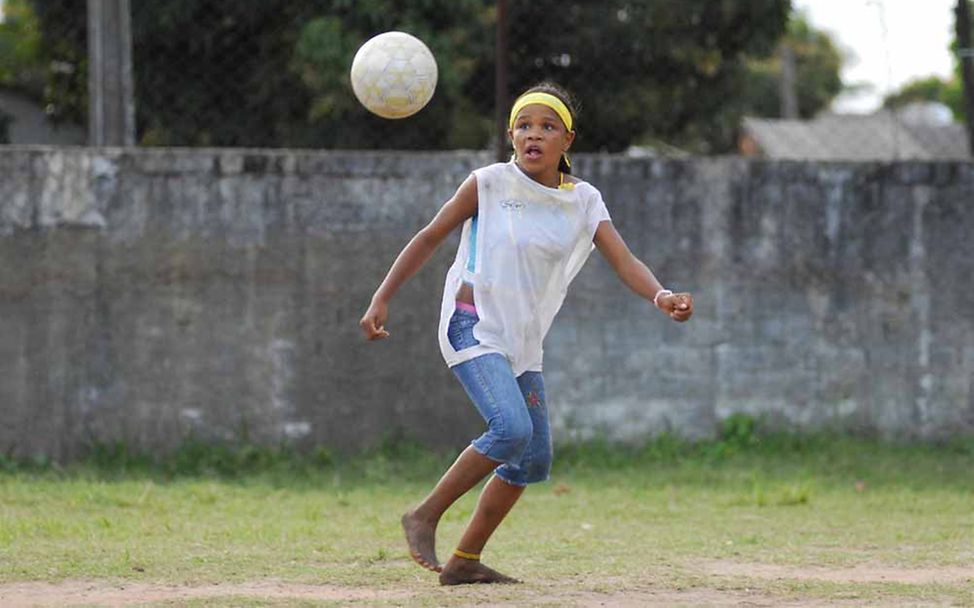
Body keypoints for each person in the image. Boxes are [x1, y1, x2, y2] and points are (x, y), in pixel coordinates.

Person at [359, 82, 693, 585]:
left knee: (532, 459)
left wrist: (661, 295)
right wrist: (382, 295)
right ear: (510, 135)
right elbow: (429, 237)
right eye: (524, 125)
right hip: (471, 322)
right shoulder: (488, 183)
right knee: (511, 429)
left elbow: (622, 259)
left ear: (567, 140)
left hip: (522, 343)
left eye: (547, 126)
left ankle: (465, 562)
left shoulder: (583, 200)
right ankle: (424, 515)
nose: (533, 134)